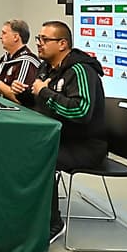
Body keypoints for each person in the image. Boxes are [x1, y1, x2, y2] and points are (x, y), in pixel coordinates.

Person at [30, 21, 107, 240]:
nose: (39, 44)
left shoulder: (81, 70)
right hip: (57, 138)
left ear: (62, 44)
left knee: (39, 157)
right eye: (39, 39)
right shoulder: (47, 68)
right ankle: (25, 213)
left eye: (45, 40)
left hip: (85, 147)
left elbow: (81, 111)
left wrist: (44, 93)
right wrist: (26, 94)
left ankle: (53, 223)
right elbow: (40, 103)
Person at [0, 19, 39, 103]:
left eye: (4, 33)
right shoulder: (6, 58)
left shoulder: (26, 61)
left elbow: (19, 100)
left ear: (16, 37)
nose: (0, 37)